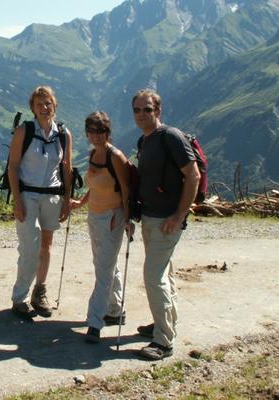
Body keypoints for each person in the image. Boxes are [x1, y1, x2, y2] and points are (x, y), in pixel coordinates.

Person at [132, 89, 200, 360]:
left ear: (158, 111)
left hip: (166, 221)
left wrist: (179, 215)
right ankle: (164, 324)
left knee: (153, 276)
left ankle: (163, 341)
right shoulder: (144, 140)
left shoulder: (171, 137)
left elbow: (192, 175)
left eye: (147, 109)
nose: (141, 114)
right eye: (136, 110)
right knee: (164, 274)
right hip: (150, 216)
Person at [8, 86, 73, 319]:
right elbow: (13, 166)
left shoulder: (63, 134)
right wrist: (17, 200)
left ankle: (39, 292)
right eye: (39, 104)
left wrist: (67, 200)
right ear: (32, 109)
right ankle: (20, 297)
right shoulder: (24, 131)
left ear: (54, 105)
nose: (44, 108)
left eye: (48, 103)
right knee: (30, 246)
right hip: (27, 195)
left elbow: (66, 168)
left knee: (46, 247)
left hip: (52, 196)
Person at [70, 112, 133, 343]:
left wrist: (127, 218)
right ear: (87, 133)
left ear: (108, 132)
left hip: (111, 218)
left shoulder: (115, 156)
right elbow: (95, 186)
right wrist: (81, 202)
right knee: (105, 264)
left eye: (101, 131)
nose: (96, 136)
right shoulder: (93, 154)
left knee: (103, 271)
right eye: (92, 131)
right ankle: (116, 311)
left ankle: (95, 322)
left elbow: (126, 189)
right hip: (94, 216)